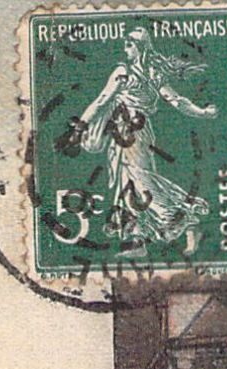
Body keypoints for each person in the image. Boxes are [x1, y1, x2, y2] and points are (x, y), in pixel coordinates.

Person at [67, 25, 218, 254]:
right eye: (126, 41)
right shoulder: (136, 72)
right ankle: (139, 241)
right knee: (125, 184)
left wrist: (202, 113)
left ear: (141, 48)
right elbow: (102, 101)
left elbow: (176, 100)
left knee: (142, 182)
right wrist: (81, 127)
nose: (125, 45)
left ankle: (186, 224)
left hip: (134, 133)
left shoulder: (137, 73)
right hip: (122, 133)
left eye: (131, 42)